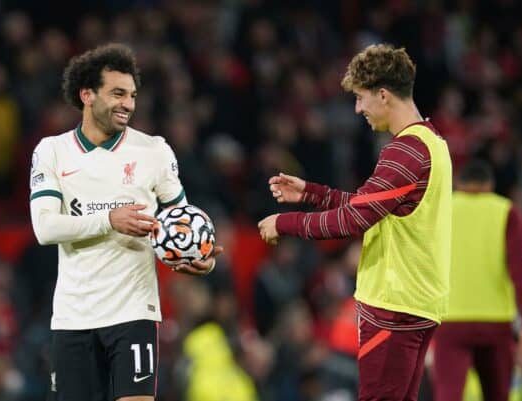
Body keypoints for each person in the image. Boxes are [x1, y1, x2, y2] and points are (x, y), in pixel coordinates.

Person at [258, 43, 452, 401]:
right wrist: (312, 193)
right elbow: (372, 208)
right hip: (418, 303)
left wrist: (284, 223)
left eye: (361, 98)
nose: (358, 108)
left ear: (382, 94)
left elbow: (353, 220)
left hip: (393, 305)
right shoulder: (433, 143)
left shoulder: (406, 151)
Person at [29, 43, 221, 401]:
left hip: (134, 312)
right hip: (74, 316)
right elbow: (45, 228)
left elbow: (182, 221)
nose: (128, 104)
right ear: (87, 94)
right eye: (117, 93)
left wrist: (201, 258)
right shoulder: (52, 151)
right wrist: (109, 220)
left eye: (132, 95)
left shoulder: (155, 151)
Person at [432, 160, 522, 401]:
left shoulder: (441, 209)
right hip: (495, 320)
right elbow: (520, 270)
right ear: (490, 185)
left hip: (450, 318)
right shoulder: (505, 211)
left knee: (447, 394)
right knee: (498, 394)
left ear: (458, 184)